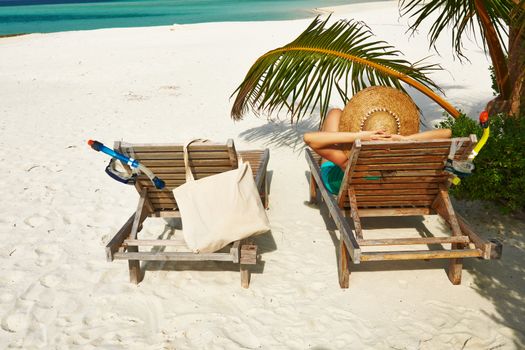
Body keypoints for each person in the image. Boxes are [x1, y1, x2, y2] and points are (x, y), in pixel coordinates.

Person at [303, 108, 452, 195]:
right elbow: (447, 133)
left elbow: (309, 138)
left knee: (335, 113)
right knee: (336, 116)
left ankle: (351, 135)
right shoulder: (400, 157)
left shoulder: (348, 162)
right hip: (386, 186)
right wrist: (403, 140)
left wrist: (358, 136)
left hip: (338, 182)